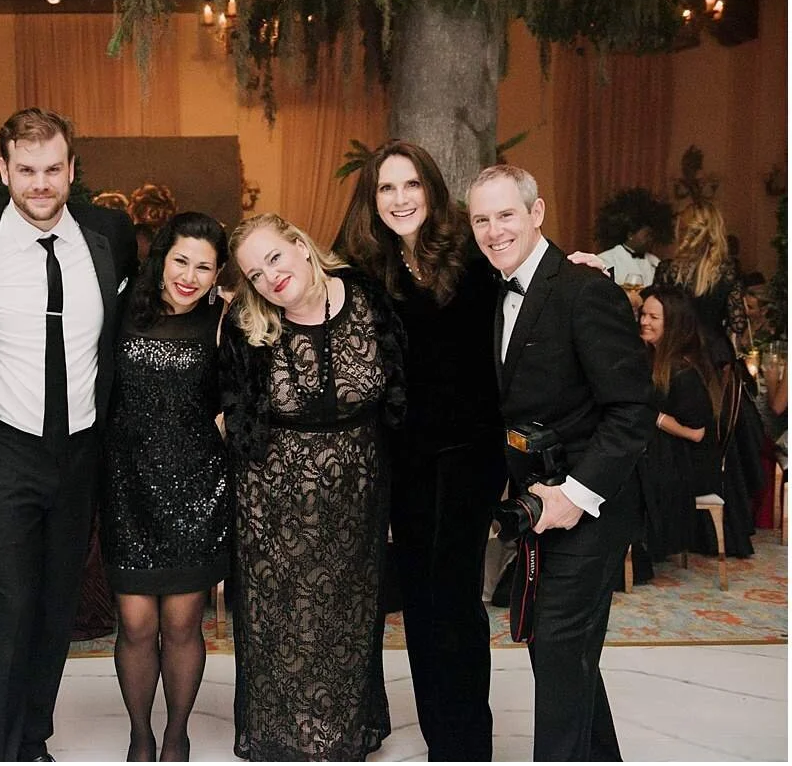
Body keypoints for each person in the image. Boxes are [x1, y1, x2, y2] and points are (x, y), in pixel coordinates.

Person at [0, 107, 136, 762]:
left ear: (72, 169)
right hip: (2, 451)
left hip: (79, 452)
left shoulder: (109, 235)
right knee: (7, 605)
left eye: (53, 169)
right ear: (3, 171)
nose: (41, 183)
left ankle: (31, 739)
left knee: (56, 606)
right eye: (26, 170)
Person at [467, 164, 654, 761]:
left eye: (506, 215)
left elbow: (633, 409)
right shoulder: (493, 290)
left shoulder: (583, 289)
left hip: (592, 505)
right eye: (481, 219)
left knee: (555, 644)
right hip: (539, 506)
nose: (494, 230)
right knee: (563, 650)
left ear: (537, 212)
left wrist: (575, 494)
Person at [333, 140, 507, 761]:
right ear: (372, 199)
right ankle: (444, 742)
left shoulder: (471, 251)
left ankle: (467, 746)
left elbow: (528, 269)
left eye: (411, 184)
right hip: (403, 459)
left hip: (470, 452)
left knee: (454, 598)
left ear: (431, 189)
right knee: (421, 604)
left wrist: (577, 264)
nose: (400, 198)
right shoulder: (363, 267)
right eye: (387, 187)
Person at [221, 213, 407, 761]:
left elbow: (401, 393)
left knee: (348, 617)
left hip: (358, 496)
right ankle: (287, 737)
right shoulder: (246, 324)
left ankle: (341, 732)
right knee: (285, 622)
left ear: (301, 246)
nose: (270, 277)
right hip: (272, 500)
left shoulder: (369, 298)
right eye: (255, 274)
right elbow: (232, 409)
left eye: (274, 258)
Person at [101, 212, 230, 762]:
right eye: (181, 260)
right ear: (162, 258)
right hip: (126, 488)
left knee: (181, 624)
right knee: (134, 624)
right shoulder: (120, 309)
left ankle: (176, 736)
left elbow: (239, 399)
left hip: (196, 489)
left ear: (218, 274)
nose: (189, 276)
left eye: (204, 267)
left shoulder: (223, 322)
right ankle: (140, 734)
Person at [638, 285, 753, 559]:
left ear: (673, 323)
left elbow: (696, 433)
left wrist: (654, 417)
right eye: (643, 314)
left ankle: (636, 551)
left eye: (653, 317)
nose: (644, 322)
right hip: (673, 456)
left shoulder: (684, 371)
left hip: (692, 466)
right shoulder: (656, 360)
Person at [654, 202, 747, 368]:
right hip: (715, 354)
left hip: (676, 352)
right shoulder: (728, 271)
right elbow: (738, 324)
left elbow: (658, 316)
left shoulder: (667, 270)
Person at [594, 187, 673, 290]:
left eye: (652, 235)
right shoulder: (606, 260)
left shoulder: (655, 262)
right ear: (630, 235)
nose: (651, 239)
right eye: (648, 235)